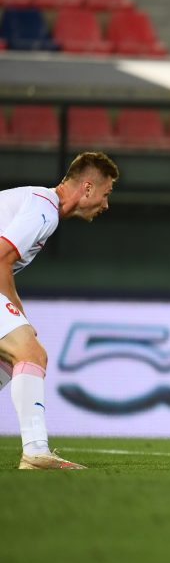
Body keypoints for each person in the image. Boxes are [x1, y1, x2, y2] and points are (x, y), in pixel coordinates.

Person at [0, 152, 118, 469]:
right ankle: (36, 452)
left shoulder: (39, 205)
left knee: (8, 361)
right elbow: (1, 259)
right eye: (106, 193)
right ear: (88, 188)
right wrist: (20, 315)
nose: (106, 204)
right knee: (30, 353)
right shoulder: (44, 209)